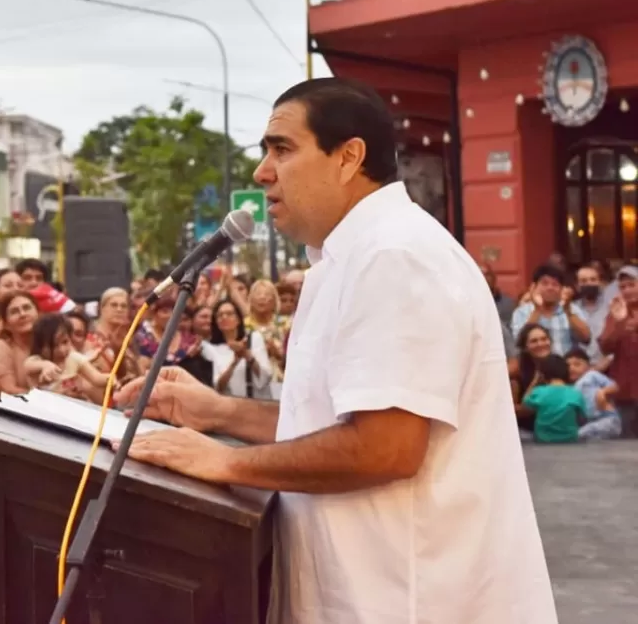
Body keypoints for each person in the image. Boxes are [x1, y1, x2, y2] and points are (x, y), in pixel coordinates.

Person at [116, 77, 556, 623]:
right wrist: (219, 412)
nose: (262, 172)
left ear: (348, 158)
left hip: (407, 599)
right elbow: (332, 421)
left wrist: (226, 460)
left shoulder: (394, 255)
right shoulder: (346, 259)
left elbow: (384, 445)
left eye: (282, 148)